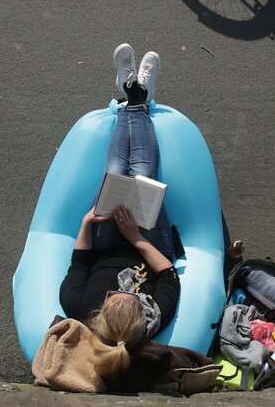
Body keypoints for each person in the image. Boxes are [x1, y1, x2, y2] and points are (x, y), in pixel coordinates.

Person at [59, 43, 180, 379]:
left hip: (108, 246)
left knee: (113, 171)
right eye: (127, 297)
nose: (117, 292)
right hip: (148, 245)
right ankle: (136, 97)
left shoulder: (78, 306)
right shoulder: (153, 317)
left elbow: (80, 262)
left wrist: (87, 222)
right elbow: (168, 274)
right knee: (143, 178)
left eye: (113, 297)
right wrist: (137, 238)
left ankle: (133, 95)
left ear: (102, 312)